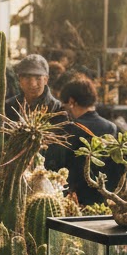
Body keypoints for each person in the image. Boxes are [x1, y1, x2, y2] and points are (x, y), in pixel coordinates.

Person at [44, 75, 119, 206]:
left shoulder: (69, 128)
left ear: (71, 101)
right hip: (105, 198)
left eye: (65, 104)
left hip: (76, 200)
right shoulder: (111, 127)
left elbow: (54, 164)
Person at [5, 54, 63, 119]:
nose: (33, 84)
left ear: (45, 80)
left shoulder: (58, 109)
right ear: (20, 80)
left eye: (38, 78)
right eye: (27, 78)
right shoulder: (8, 106)